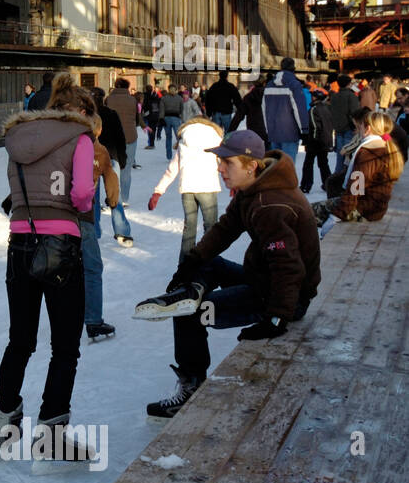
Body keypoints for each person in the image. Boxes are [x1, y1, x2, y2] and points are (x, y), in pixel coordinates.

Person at [132, 131, 320, 419]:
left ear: (251, 165)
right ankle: (190, 290)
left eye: (227, 163)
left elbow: (288, 267)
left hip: (282, 298)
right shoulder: (254, 190)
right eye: (220, 162)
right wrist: (189, 265)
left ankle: (190, 388)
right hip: (264, 280)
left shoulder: (270, 205)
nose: (220, 169)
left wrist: (275, 318)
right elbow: (224, 230)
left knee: (190, 315)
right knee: (210, 264)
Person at [0, 73, 96, 461]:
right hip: (61, 245)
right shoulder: (80, 139)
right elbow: (82, 194)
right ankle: (51, 435)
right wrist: (80, 206)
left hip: (19, 241)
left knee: (20, 339)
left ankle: (5, 420)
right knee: (65, 346)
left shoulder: (18, 139)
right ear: (79, 111)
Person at [148, 116, 224, 258]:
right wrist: (235, 184)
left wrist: (158, 192)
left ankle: (184, 265)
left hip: (188, 189)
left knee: (189, 228)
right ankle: (209, 263)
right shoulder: (216, 139)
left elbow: (172, 169)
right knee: (211, 227)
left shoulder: (184, 140)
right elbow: (224, 164)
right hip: (208, 187)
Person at [313, 111, 405, 224]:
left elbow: (356, 188)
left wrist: (337, 215)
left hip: (364, 209)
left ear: (368, 128)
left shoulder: (369, 152)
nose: (358, 128)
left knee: (304, 213)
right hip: (375, 208)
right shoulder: (384, 146)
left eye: (360, 125)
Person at [81, 97, 120, 341]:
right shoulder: (101, 151)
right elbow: (111, 177)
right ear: (100, 130)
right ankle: (93, 320)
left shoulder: (67, 147)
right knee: (92, 268)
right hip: (83, 215)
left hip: (59, 216)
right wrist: (113, 200)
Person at [92, 86, 133, 246]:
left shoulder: (86, 117)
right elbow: (120, 137)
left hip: (93, 160)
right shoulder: (111, 114)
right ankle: (122, 232)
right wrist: (122, 158)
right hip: (112, 158)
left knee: (93, 198)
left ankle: (94, 231)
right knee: (115, 195)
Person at [262, 57, 311, 164]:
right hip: (290, 132)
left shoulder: (269, 85)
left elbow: (264, 109)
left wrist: (268, 130)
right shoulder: (294, 85)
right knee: (288, 167)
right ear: (293, 68)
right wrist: (304, 130)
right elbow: (299, 109)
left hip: (273, 132)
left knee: (275, 167)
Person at [105, 77, 143, 203]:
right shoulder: (132, 100)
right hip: (130, 136)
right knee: (126, 168)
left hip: (112, 138)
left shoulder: (108, 99)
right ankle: (125, 198)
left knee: (114, 167)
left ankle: (114, 197)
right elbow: (137, 119)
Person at [300, 88, 334, 194]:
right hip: (325, 140)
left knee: (308, 164)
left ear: (315, 98)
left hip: (315, 141)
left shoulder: (313, 110)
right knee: (323, 164)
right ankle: (328, 185)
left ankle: (306, 185)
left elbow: (314, 127)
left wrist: (310, 140)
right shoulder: (327, 108)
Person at [327, 75, 362, 171]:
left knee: (340, 154)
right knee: (349, 155)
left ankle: (337, 176)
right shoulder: (351, 96)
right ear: (349, 84)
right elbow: (355, 113)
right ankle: (345, 177)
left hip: (338, 128)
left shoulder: (334, 96)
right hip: (349, 128)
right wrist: (356, 127)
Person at [229, 76, 269, 146]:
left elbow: (238, 117)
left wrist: (230, 132)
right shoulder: (269, 97)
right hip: (268, 132)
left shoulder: (248, 97)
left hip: (253, 132)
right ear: (264, 83)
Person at [203, 69, 245, 135]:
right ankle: (227, 144)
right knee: (228, 133)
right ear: (227, 76)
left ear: (219, 76)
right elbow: (237, 99)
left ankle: (217, 144)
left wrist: (209, 111)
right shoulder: (230, 86)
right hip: (226, 112)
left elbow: (208, 99)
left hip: (215, 112)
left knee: (216, 133)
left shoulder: (214, 86)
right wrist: (241, 109)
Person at [160, 84, 183, 159]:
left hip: (166, 118)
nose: (172, 90)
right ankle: (180, 153)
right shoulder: (179, 98)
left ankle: (169, 155)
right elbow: (181, 109)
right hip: (175, 118)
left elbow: (162, 110)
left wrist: (161, 118)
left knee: (168, 137)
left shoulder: (164, 98)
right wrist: (181, 117)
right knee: (178, 137)